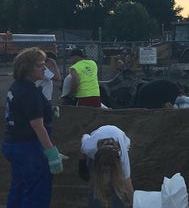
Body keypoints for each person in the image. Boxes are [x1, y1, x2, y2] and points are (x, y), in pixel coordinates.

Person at [2, 47, 65, 207]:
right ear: (27, 69)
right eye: (39, 65)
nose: (44, 67)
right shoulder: (30, 92)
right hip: (29, 147)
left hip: (13, 143)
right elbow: (37, 126)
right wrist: (51, 153)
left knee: (20, 185)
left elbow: (21, 113)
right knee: (37, 191)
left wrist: (48, 111)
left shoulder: (17, 86)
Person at [80, 125, 133, 207]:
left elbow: (127, 183)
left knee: (118, 188)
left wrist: (134, 204)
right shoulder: (90, 148)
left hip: (118, 147)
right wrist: (83, 163)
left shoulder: (122, 158)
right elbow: (84, 137)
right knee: (95, 187)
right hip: (96, 154)